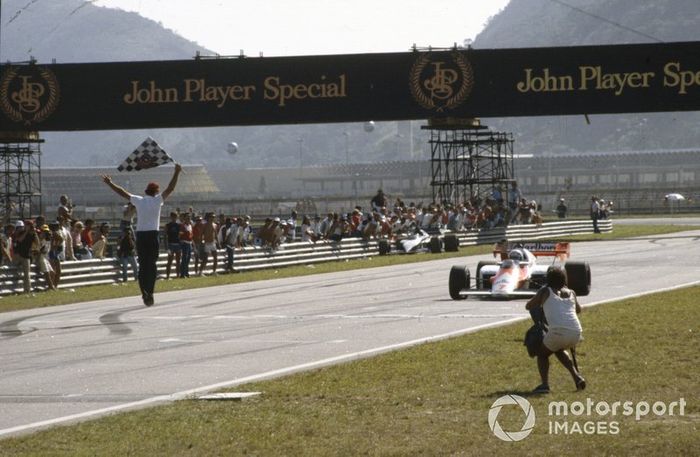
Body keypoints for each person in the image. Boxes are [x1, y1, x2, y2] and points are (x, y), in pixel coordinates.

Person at [101, 163, 182, 306]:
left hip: (140, 236)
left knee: (143, 265)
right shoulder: (158, 200)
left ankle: (143, 291)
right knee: (152, 265)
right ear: (156, 192)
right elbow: (171, 188)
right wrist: (176, 172)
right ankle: (149, 291)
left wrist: (110, 183)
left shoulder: (139, 200)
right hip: (152, 235)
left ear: (146, 191)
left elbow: (122, 192)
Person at [525, 267, 586, 394]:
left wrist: (542, 297)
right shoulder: (572, 293)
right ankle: (577, 377)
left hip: (559, 331)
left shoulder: (545, 291)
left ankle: (545, 385)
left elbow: (529, 305)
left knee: (542, 354)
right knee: (557, 349)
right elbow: (578, 310)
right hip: (576, 332)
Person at [164, 211, 181, 279]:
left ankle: (177, 275)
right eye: (173, 217)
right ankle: (168, 276)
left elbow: (180, 235)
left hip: (178, 244)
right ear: (171, 217)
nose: (174, 218)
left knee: (178, 261)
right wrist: (166, 248)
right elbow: (165, 236)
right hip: (171, 245)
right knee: (169, 261)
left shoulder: (179, 225)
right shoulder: (168, 225)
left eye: (175, 217)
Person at [178, 212, 194, 278]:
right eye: (187, 217)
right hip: (184, 243)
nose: (188, 218)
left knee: (188, 259)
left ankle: (186, 273)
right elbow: (179, 235)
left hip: (189, 243)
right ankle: (182, 274)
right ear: (184, 218)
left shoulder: (190, 225)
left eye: (189, 217)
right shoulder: (182, 226)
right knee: (184, 259)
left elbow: (191, 236)